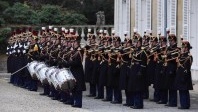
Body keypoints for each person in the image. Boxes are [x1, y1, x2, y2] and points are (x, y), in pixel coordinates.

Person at [62, 33, 86, 108]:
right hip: (73, 71)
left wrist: (68, 63)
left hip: (78, 72)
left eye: (74, 42)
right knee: (74, 88)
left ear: (77, 43)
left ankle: (78, 103)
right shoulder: (74, 51)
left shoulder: (79, 51)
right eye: (73, 42)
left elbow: (77, 62)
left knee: (78, 89)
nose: (73, 44)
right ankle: (74, 101)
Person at [174, 40, 193, 109]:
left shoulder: (189, 56)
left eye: (184, 47)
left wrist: (184, 76)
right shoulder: (181, 55)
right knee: (182, 90)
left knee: (184, 91)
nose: (183, 49)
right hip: (180, 74)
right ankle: (185, 104)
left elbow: (187, 67)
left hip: (185, 75)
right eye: (183, 47)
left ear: (187, 48)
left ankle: (185, 105)